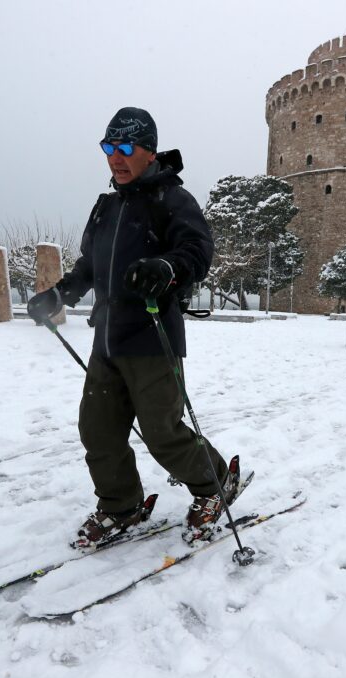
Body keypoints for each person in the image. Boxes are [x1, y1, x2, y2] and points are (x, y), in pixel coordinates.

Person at [27, 107, 240, 549]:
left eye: (126, 148)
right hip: (107, 340)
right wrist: (58, 294)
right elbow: (89, 265)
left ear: (150, 151)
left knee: (163, 433)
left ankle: (215, 484)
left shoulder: (172, 201)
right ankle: (121, 505)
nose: (116, 158)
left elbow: (197, 252)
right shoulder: (106, 207)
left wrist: (166, 266)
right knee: (98, 431)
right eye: (109, 148)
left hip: (152, 339)